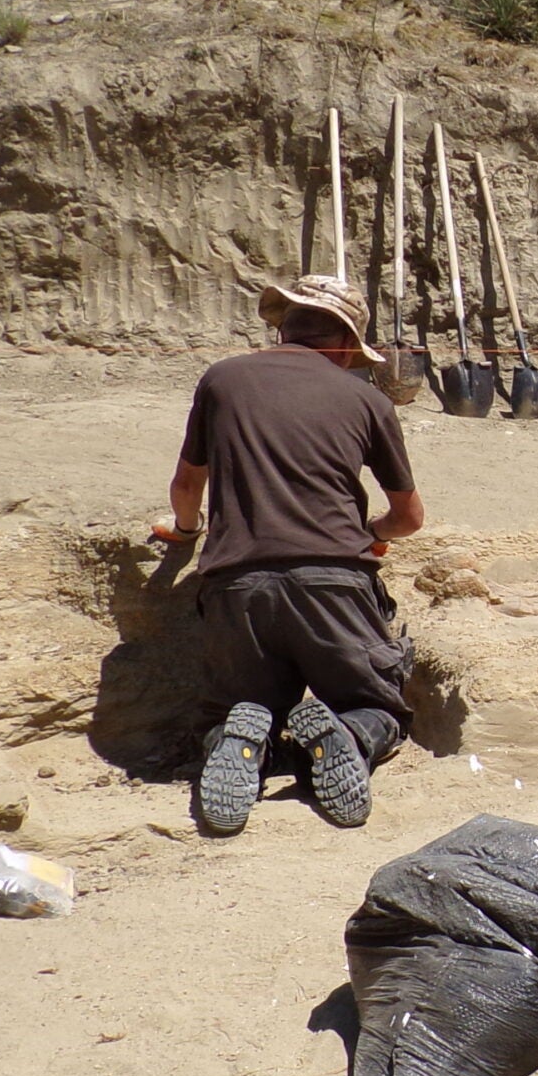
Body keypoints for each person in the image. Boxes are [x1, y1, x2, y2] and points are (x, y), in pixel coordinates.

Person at [158, 273, 426, 835]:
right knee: (378, 709)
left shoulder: (223, 379)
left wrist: (185, 532)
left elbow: (187, 487)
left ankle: (243, 740)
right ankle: (349, 735)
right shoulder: (366, 398)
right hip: (335, 582)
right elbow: (408, 519)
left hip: (236, 588)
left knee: (234, 711)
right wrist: (370, 530)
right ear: (349, 345)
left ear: (281, 326)